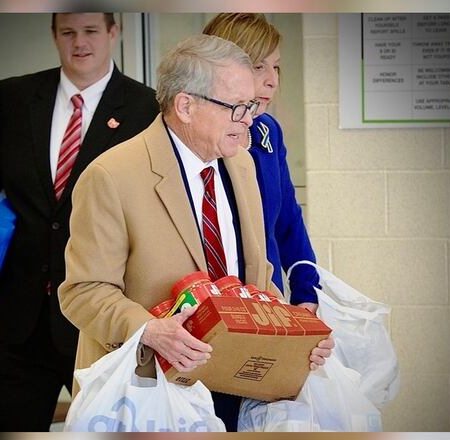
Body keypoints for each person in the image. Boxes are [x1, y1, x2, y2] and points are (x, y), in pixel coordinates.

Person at [58, 34, 334, 432]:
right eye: (238, 108)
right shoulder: (111, 176)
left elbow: (257, 281)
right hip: (150, 392)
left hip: (236, 385)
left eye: (252, 106)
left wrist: (295, 338)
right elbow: (83, 292)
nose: (250, 120)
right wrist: (150, 330)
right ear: (185, 106)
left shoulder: (242, 165)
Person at [0, 13, 159, 431]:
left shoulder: (144, 107)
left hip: (99, 320)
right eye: (68, 32)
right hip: (17, 318)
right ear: (54, 35)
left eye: (91, 31)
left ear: (114, 32)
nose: (80, 43)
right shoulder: (17, 96)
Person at [203, 13, 321, 312]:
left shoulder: (268, 130)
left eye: (276, 67)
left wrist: (307, 291)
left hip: (268, 303)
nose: (272, 80)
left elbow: (288, 221)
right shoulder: (198, 136)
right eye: (258, 66)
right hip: (207, 304)